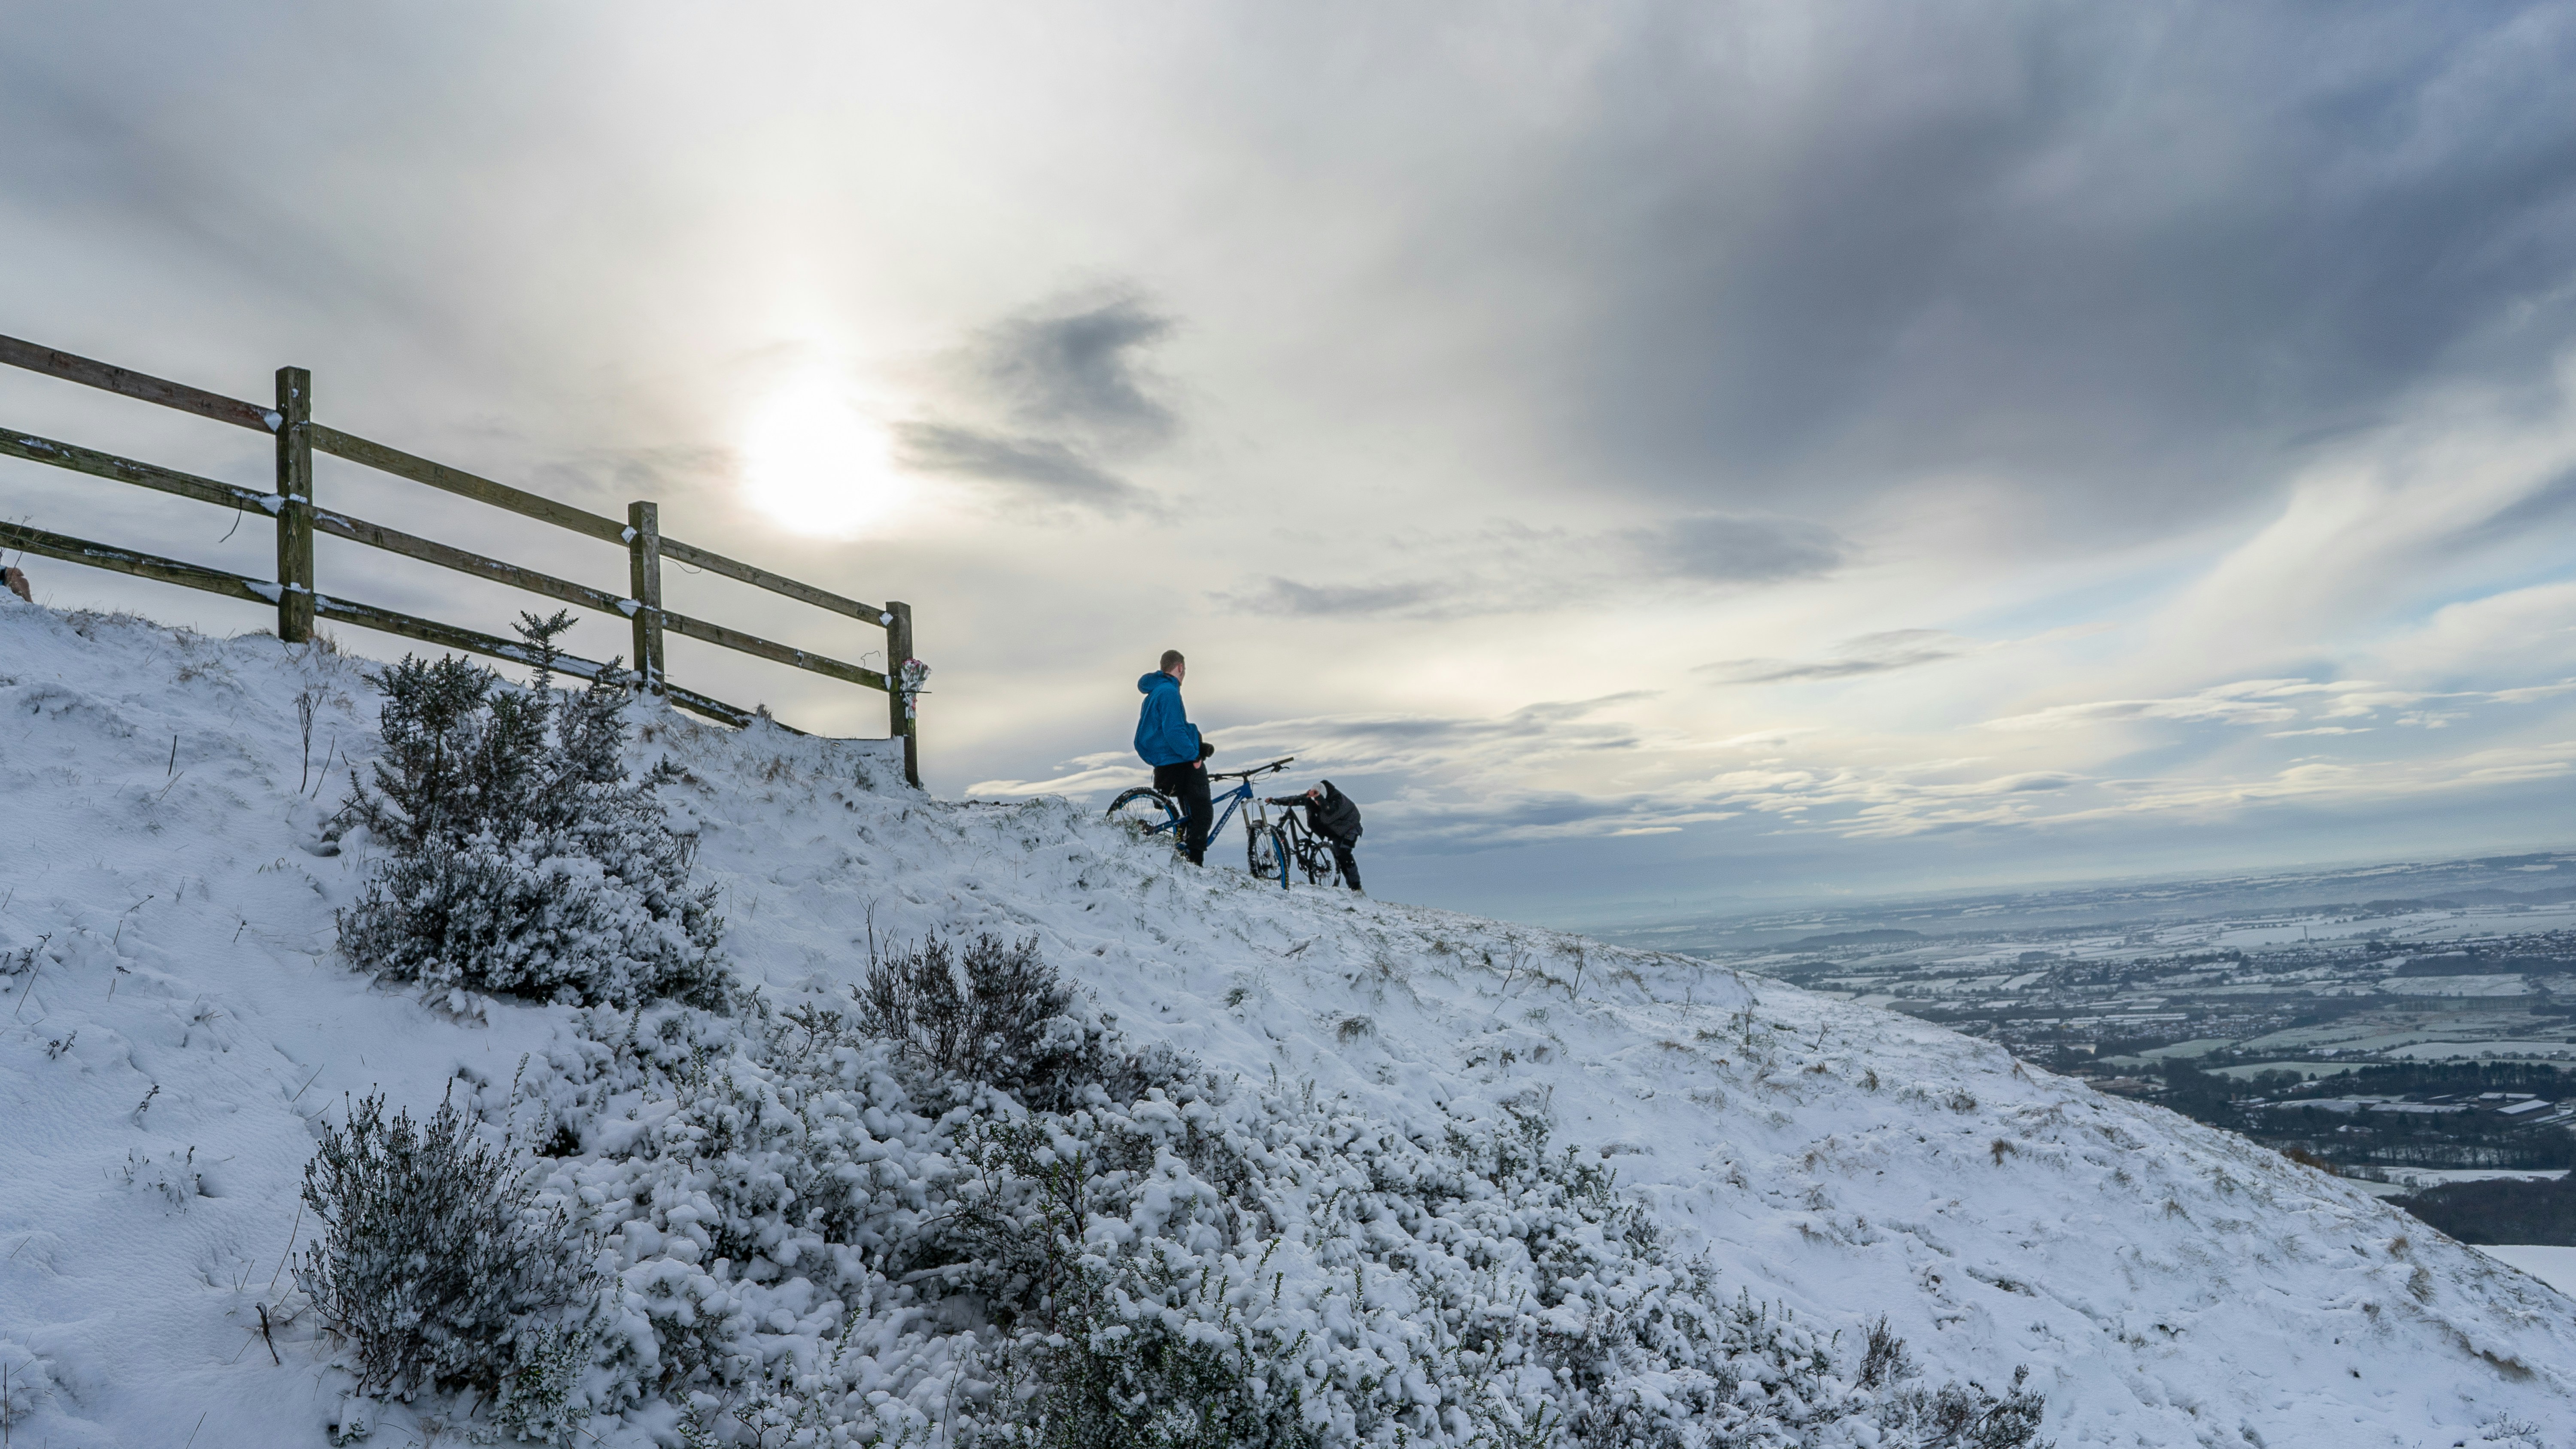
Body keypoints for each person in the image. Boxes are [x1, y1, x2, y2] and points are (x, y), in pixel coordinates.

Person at [1134, 649, 1214, 865]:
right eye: (1184, 669)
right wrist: (1194, 755)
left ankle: (1185, 851)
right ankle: (1195, 862)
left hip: (1165, 759)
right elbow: (1173, 731)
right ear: (1180, 668)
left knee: (1189, 812)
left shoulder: (1155, 692)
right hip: (1177, 760)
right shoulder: (1170, 693)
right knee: (1204, 813)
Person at [1268, 781, 1363, 892]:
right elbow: (1295, 799)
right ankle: (1352, 888)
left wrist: (1319, 799)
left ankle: (1356, 886)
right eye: (1315, 800)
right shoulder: (1314, 797)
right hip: (1337, 829)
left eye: (1318, 800)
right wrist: (1276, 801)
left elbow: (1330, 810)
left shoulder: (1337, 798)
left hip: (1351, 827)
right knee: (1339, 856)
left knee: (1345, 853)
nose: (1317, 803)